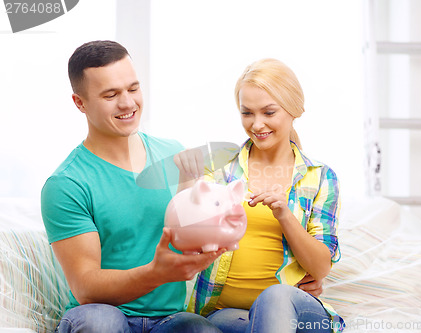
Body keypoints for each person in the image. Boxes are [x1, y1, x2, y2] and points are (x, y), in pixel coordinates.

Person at [40, 40, 224, 333]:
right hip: (102, 313)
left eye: (133, 88)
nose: (127, 103)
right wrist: (155, 273)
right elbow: (86, 287)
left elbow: (193, 237)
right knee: (99, 324)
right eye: (110, 94)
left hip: (169, 318)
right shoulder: (66, 184)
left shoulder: (173, 155)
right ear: (80, 103)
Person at [186, 58, 344, 333]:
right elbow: (190, 240)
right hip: (228, 315)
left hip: (298, 313)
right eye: (247, 113)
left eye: (269, 112)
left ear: (294, 110)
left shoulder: (319, 177)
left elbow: (319, 268)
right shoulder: (220, 171)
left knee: (275, 296)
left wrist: (284, 214)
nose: (257, 124)